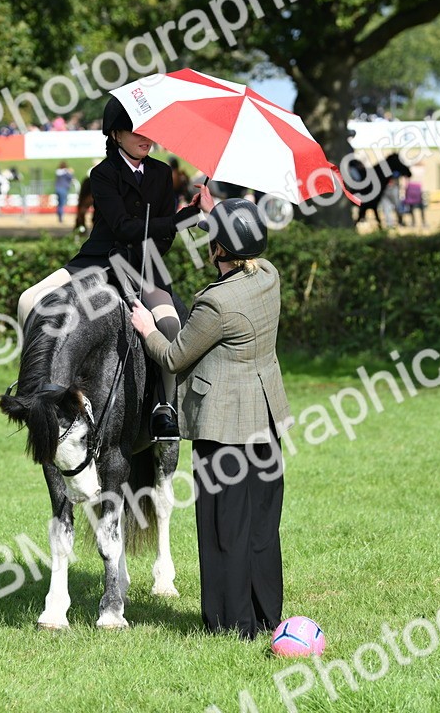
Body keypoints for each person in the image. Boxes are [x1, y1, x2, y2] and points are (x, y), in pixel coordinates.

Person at [129, 197, 291, 640]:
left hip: (223, 427)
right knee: (261, 525)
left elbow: (174, 356)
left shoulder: (216, 304)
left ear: (219, 249)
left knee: (224, 527)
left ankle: (231, 623)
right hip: (266, 417)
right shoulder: (269, 275)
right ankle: (266, 615)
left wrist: (146, 328)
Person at [16, 96, 201, 439]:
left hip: (144, 265)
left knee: (170, 323)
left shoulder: (162, 173)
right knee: (28, 299)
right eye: (137, 131)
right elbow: (122, 228)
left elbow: (163, 238)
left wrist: (172, 227)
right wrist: (179, 220)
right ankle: (32, 387)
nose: (146, 138)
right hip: (99, 259)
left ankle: (165, 406)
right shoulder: (102, 174)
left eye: (149, 131)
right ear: (116, 134)